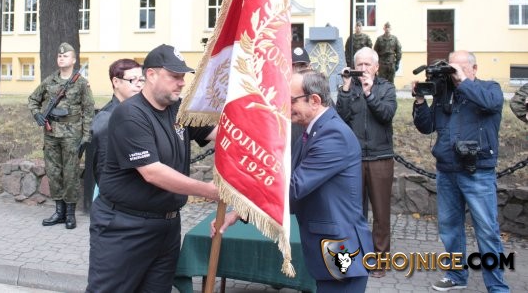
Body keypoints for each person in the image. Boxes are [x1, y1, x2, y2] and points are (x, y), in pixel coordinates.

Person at [216, 69, 373, 293]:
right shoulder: (313, 132)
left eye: (290, 100)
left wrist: (241, 178)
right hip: (329, 250)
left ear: (314, 100)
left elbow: (292, 188)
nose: (285, 106)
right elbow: (285, 183)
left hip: (342, 251)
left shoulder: (333, 135)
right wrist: (239, 212)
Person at [86, 44, 219, 293]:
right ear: (151, 75)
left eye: (183, 77)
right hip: (125, 228)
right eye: (174, 76)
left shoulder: (179, 109)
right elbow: (152, 172)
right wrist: (208, 190)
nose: (181, 83)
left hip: (167, 227)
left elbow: (219, 133)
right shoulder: (130, 114)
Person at [412, 50, 509, 292]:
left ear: (474, 69)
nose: (453, 72)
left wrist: (463, 81)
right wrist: (420, 100)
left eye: (460, 67)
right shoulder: (445, 94)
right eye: (451, 67)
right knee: (450, 228)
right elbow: (426, 126)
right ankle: (456, 275)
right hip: (447, 171)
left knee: (486, 231)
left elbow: (490, 104)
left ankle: (497, 286)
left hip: (478, 171)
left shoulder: (490, 89)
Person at [335, 47, 397, 278]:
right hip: (355, 159)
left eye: (367, 65)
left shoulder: (386, 88)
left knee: (381, 214)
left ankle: (380, 262)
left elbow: (386, 114)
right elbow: (340, 118)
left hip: (380, 157)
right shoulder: (349, 88)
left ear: (376, 67)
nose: (362, 69)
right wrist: (345, 88)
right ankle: (357, 257)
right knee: (354, 212)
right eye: (358, 65)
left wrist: (369, 94)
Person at [27, 42, 95, 230]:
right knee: (53, 172)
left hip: (72, 134)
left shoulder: (81, 83)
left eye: (65, 56)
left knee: (71, 173)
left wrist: (86, 136)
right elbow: (33, 99)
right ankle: (59, 212)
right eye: (59, 56)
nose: (61, 58)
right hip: (51, 133)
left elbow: (89, 110)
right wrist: (37, 114)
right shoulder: (50, 81)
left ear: (73, 60)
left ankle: (70, 214)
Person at [88, 58, 144, 197]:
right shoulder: (108, 118)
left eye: (141, 80)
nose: (139, 85)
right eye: (132, 80)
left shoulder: (135, 111)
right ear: (116, 82)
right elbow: (102, 168)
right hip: (115, 197)